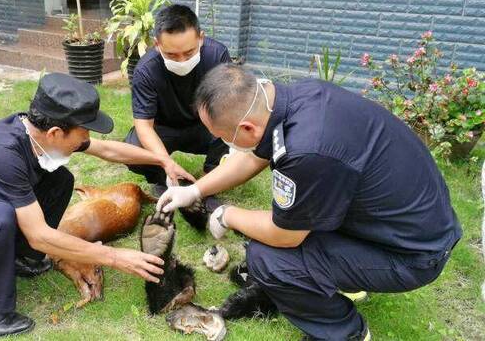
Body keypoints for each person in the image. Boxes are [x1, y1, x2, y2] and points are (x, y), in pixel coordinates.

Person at [157, 64, 462, 340]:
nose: (224, 143)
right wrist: (195, 191)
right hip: (412, 223)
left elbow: (284, 234)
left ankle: (346, 333)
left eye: (222, 136)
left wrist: (227, 214)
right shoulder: (294, 99)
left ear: (247, 128)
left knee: (267, 257)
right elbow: (254, 156)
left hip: (413, 255)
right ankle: (342, 278)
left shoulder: (306, 151)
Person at [0, 73, 193, 337]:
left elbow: (107, 149)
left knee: (59, 179)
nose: (87, 141)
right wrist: (116, 257)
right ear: (56, 132)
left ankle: (20, 259)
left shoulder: (37, 132)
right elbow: (39, 234)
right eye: (83, 135)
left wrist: (162, 160)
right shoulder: (2, 155)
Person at [123, 4, 230, 194]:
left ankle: (210, 179)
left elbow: (227, 109)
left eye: (189, 52)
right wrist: (166, 162)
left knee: (231, 125)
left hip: (204, 127)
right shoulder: (146, 70)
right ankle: (163, 178)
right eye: (171, 54)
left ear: (201, 38)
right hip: (165, 130)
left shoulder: (217, 56)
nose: (181, 61)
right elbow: (144, 126)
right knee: (133, 148)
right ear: (157, 45)